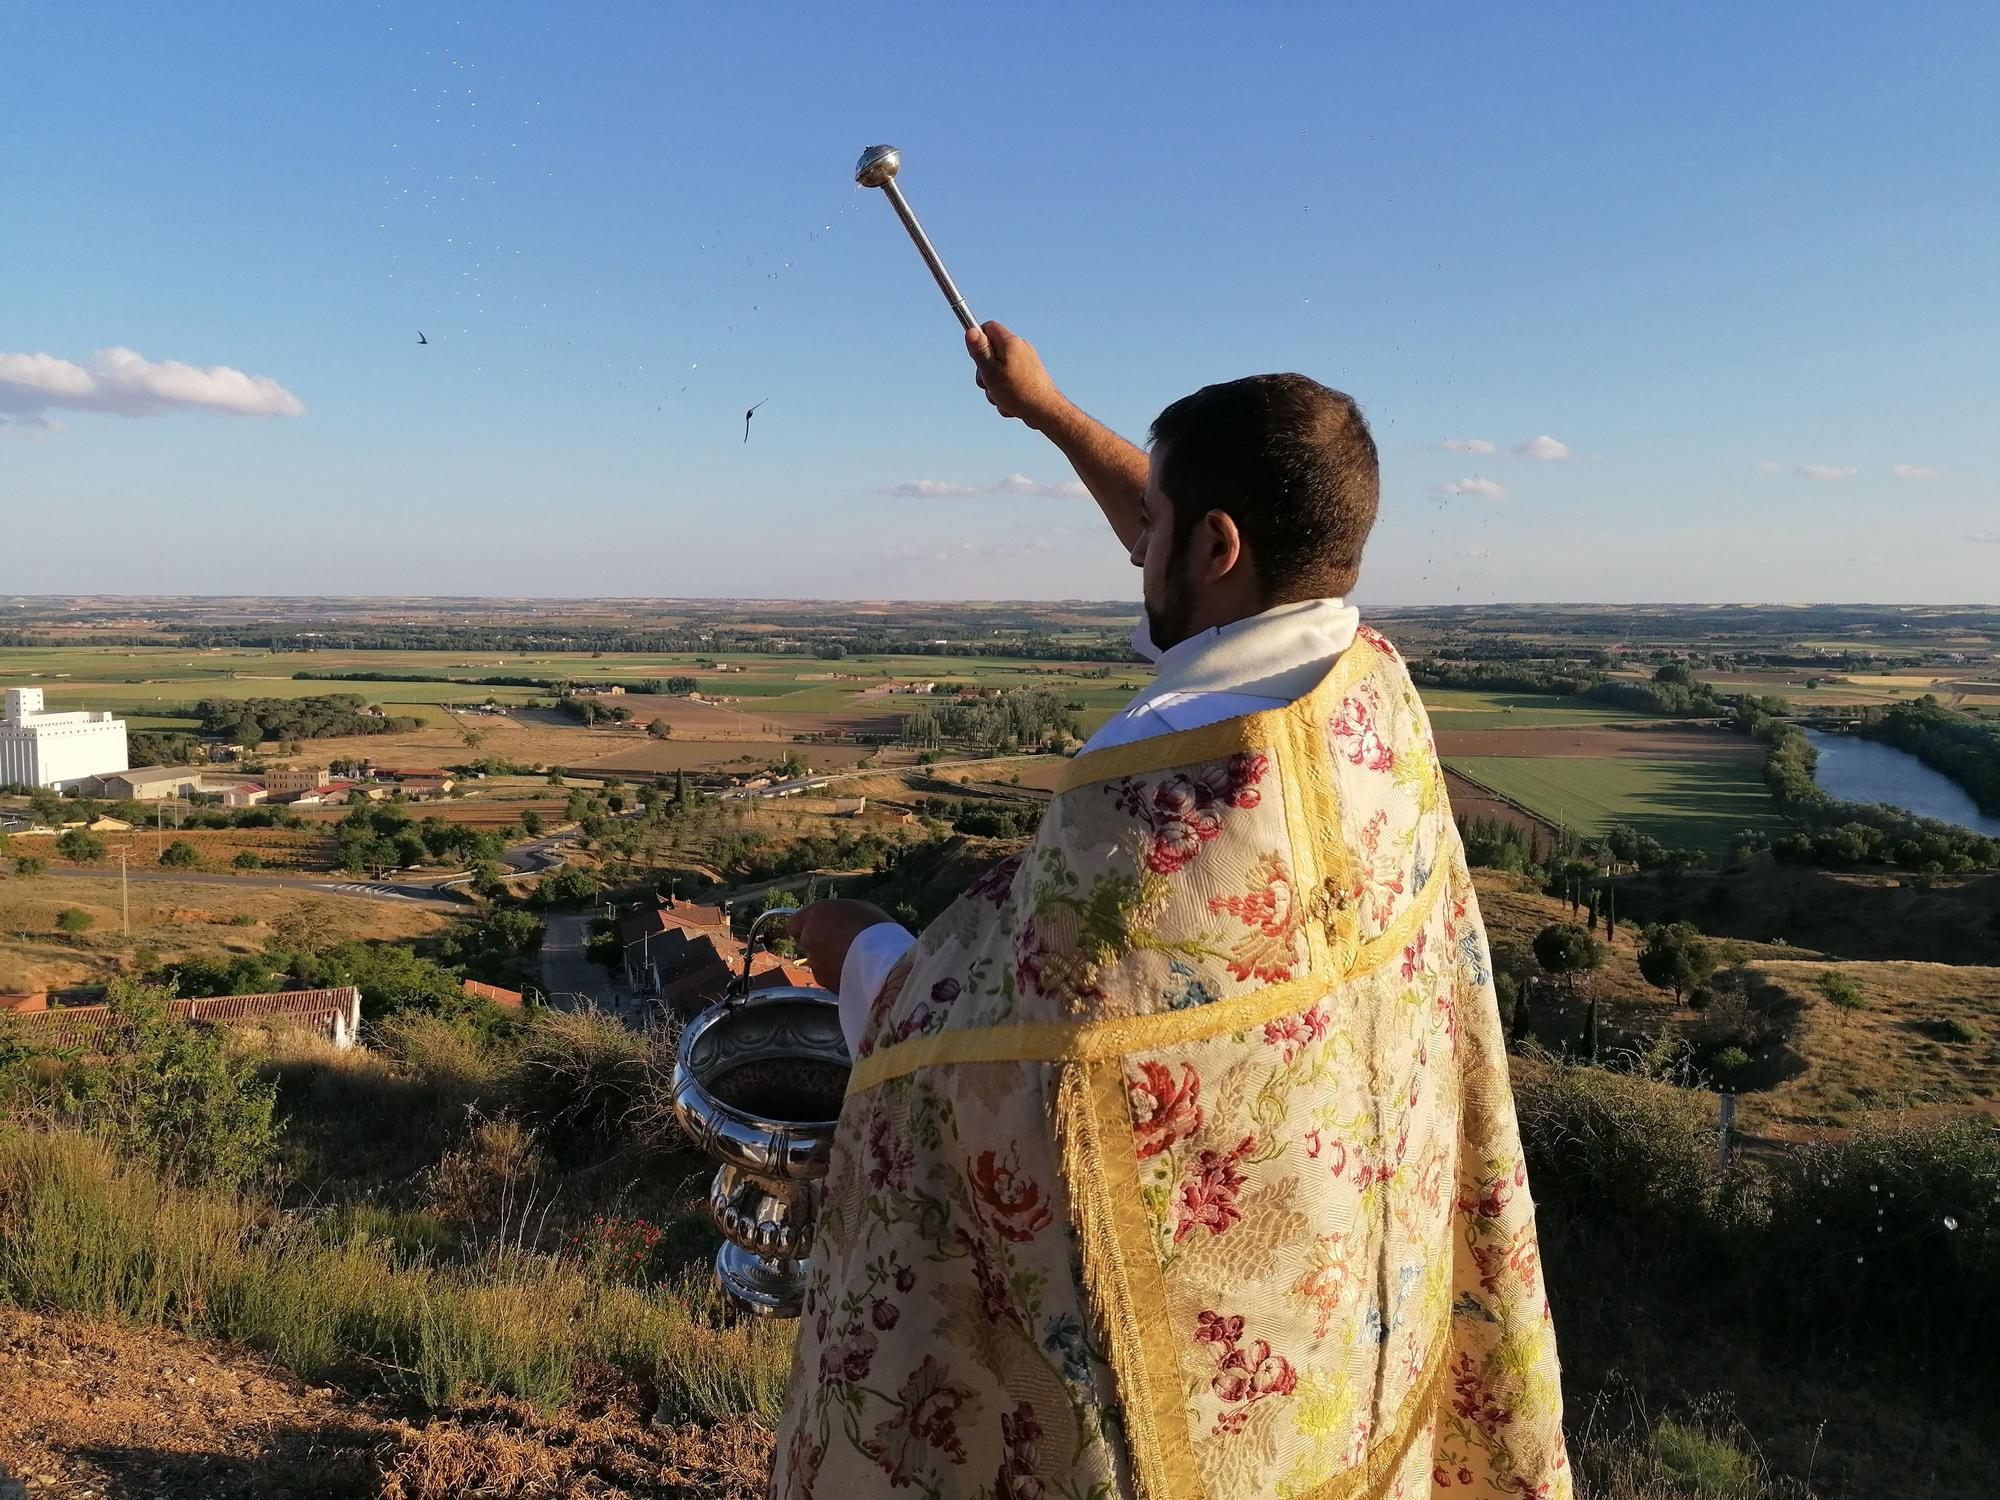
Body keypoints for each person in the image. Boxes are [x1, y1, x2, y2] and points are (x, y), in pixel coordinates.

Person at [772, 325, 1569, 1500]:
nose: (1134, 542)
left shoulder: (1161, 780)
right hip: (1344, 1315)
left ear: (1217, 542)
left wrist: (850, 949)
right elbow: (1180, 545)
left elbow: (988, 1056)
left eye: (1158, 523)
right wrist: (1045, 413)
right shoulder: (1367, 694)